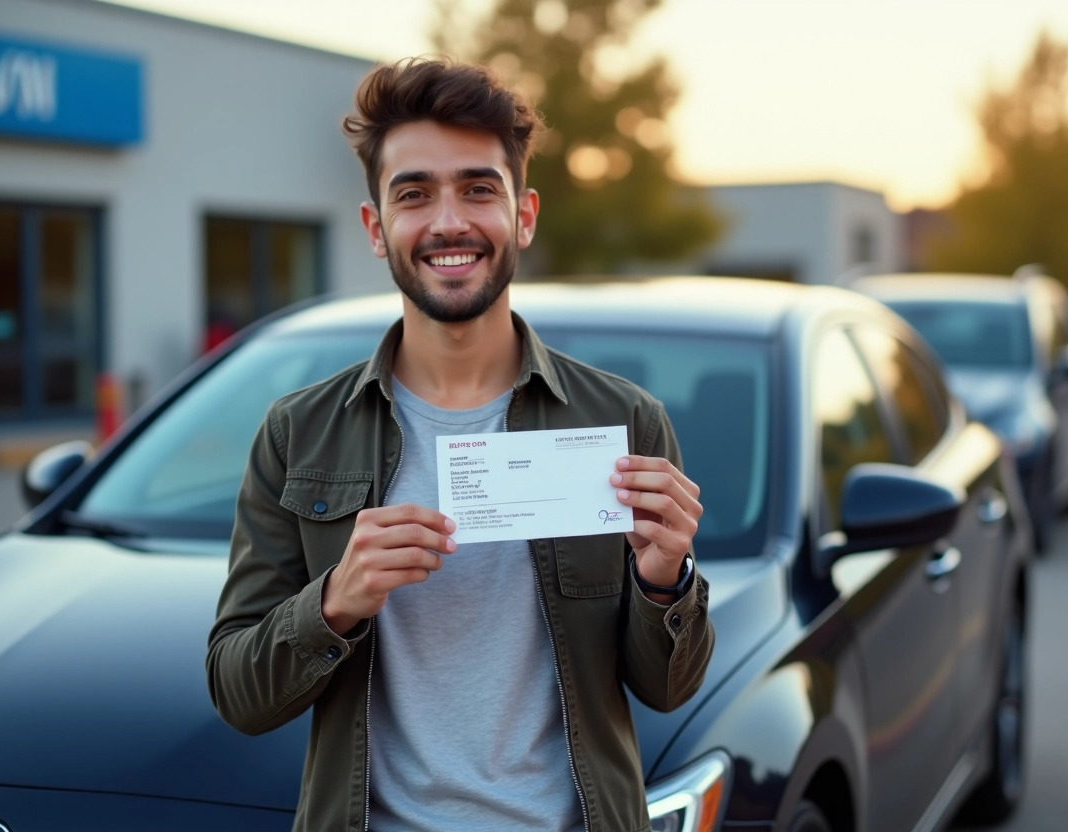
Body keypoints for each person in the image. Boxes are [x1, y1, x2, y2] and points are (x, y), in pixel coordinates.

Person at [206, 57, 714, 832]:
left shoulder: (625, 421)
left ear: (525, 216)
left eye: (479, 188)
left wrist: (665, 581)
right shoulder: (297, 433)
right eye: (414, 194)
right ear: (377, 227)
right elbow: (238, 695)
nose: (449, 222)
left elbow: (668, 690)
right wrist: (336, 603)